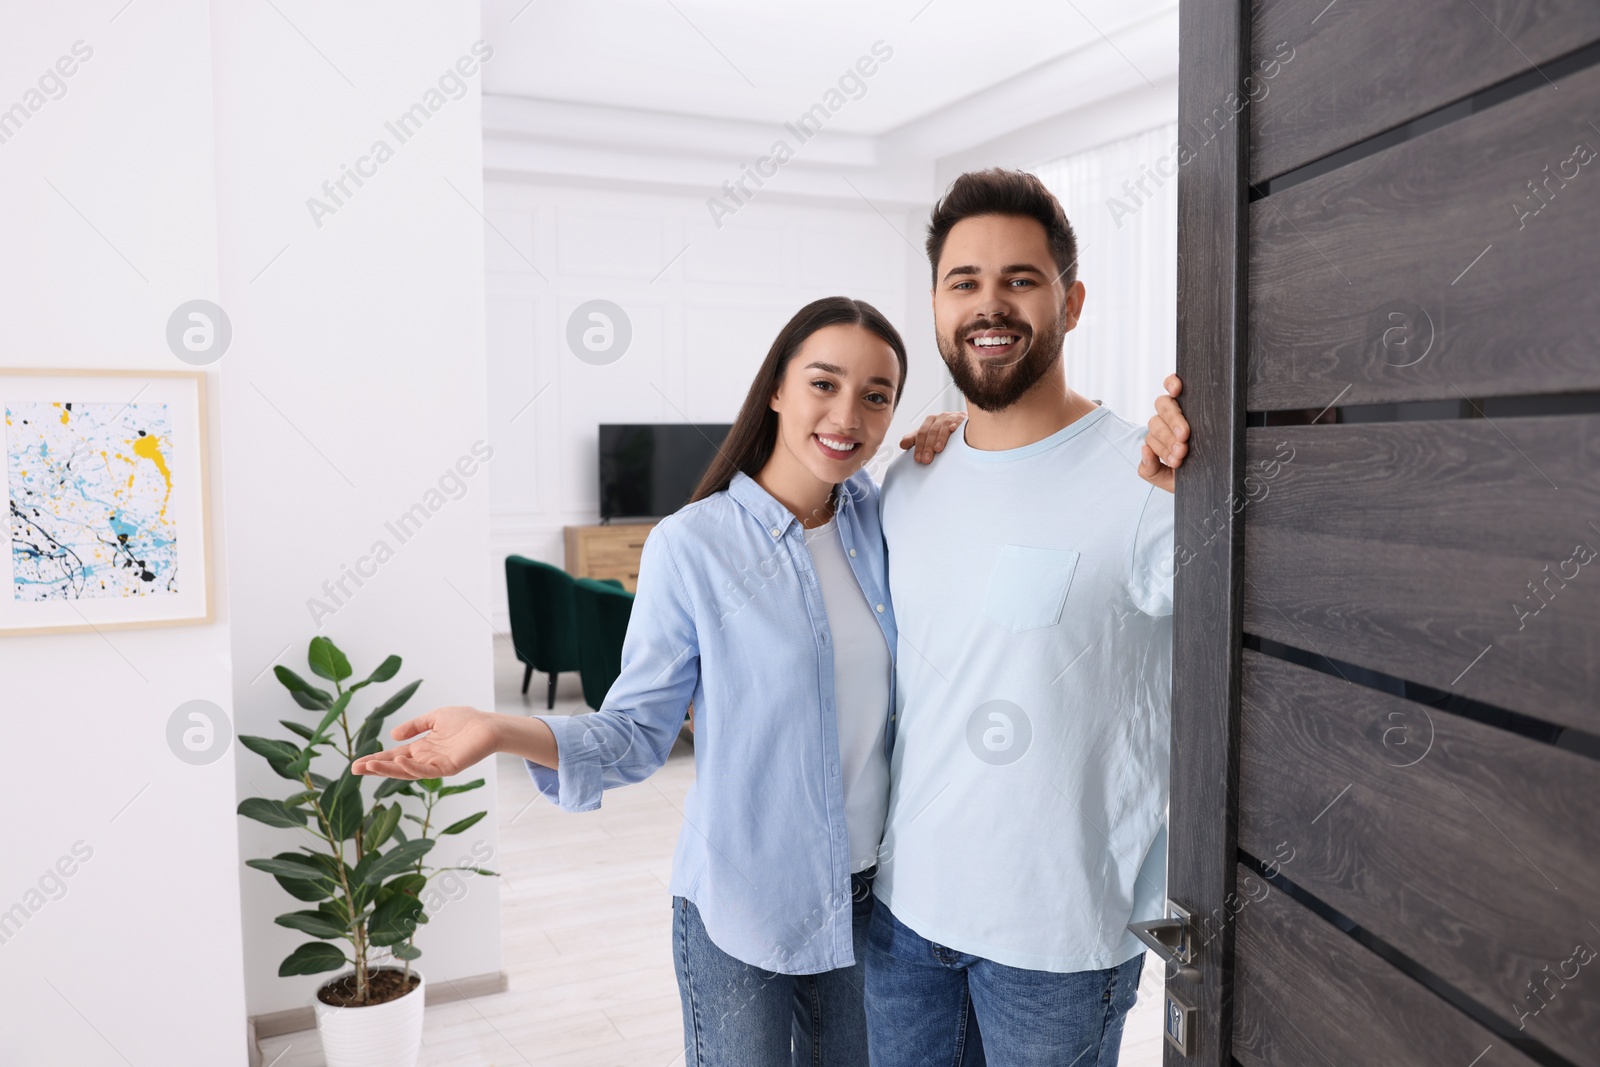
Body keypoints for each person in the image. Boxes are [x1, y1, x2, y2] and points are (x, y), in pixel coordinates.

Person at [352, 295, 964, 1066]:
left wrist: (960, 437)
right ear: (776, 387)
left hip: (872, 898)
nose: (848, 414)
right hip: (743, 902)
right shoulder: (691, 545)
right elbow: (636, 731)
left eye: (877, 396)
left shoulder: (882, 517)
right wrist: (502, 728)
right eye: (824, 383)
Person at [863, 168, 1190, 1067]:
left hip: (1058, 944)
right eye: (963, 281)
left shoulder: (1151, 482)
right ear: (935, 304)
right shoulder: (907, 481)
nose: (988, 304)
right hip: (903, 919)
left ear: (1071, 301)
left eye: (1020, 279)